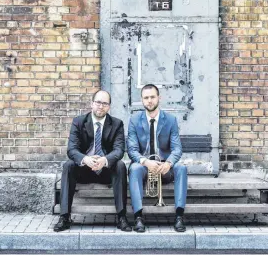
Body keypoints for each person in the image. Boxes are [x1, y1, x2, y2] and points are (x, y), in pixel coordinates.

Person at [53, 90, 132, 232]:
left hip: (106, 171)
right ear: (92, 104)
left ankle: (121, 217)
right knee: (68, 166)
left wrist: (105, 160)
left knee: (120, 165)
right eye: (98, 102)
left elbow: (119, 150)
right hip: (85, 170)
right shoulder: (79, 122)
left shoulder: (117, 124)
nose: (101, 106)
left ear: (109, 107)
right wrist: (86, 159)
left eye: (105, 104)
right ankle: (64, 216)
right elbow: (71, 150)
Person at [127, 84, 187, 232]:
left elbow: (177, 148)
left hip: (164, 168)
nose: (149, 101)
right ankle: (138, 217)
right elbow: (132, 150)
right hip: (145, 169)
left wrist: (169, 163)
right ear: (142, 100)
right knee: (134, 167)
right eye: (146, 98)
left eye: (152, 97)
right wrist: (146, 162)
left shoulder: (171, 120)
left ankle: (179, 216)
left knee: (181, 168)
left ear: (159, 98)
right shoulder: (134, 120)